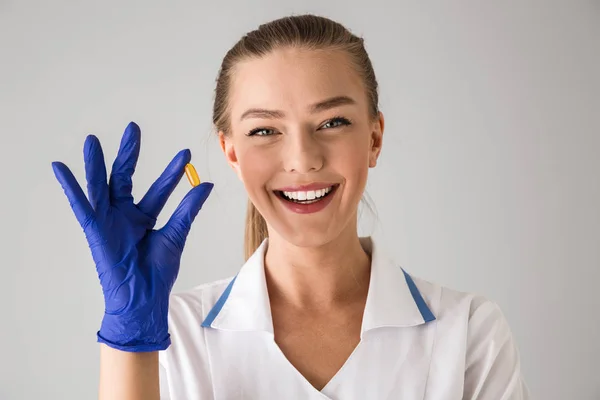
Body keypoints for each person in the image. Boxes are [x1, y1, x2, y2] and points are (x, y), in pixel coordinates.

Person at [51, 14, 530, 400]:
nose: (303, 158)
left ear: (375, 138)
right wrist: (130, 341)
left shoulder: (468, 333)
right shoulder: (171, 337)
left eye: (332, 121)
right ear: (231, 152)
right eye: (264, 130)